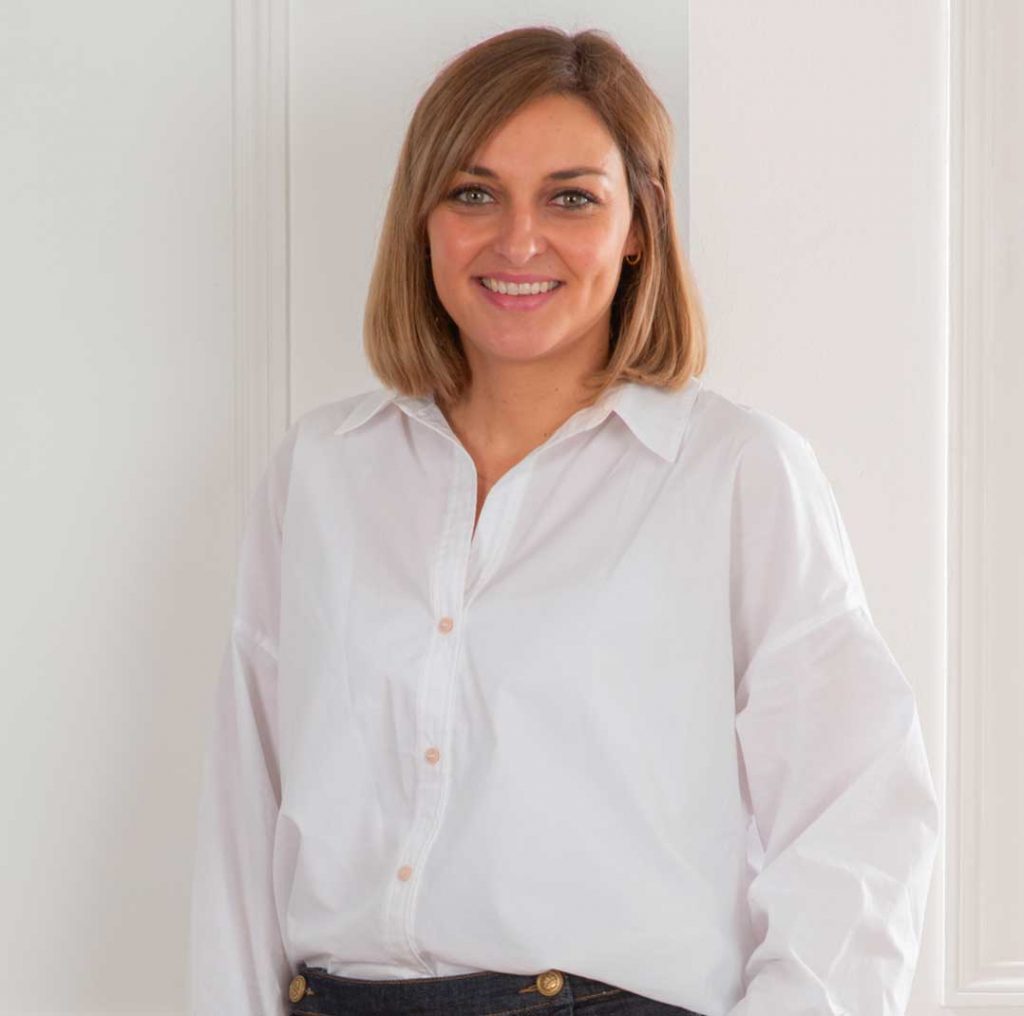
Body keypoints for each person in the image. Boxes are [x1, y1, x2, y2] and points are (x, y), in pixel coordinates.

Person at [187, 25, 940, 1016]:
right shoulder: (320, 473)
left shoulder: (735, 475)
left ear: (639, 225)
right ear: (422, 219)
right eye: (473, 194)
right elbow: (244, 810)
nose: (517, 240)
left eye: (571, 197)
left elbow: (857, 812)